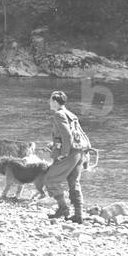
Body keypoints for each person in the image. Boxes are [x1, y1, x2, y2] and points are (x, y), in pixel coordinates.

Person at [42, 91, 89, 223]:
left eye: (50, 100)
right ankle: (79, 215)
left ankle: (63, 208)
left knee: (50, 179)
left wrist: (64, 153)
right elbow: (78, 134)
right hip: (80, 152)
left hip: (70, 153)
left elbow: (67, 136)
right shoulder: (71, 114)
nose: (49, 102)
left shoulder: (59, 114)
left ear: (55, 102)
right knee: (74, 183)